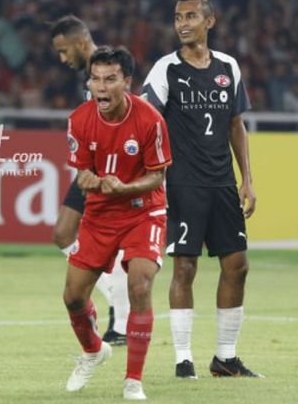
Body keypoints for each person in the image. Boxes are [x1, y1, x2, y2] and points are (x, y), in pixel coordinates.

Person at [142, 0, 262, 379]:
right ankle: (182, 360)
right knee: (185, 268)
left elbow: (234, 125)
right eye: (178, 17)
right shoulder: (165, 70)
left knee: (237, 266)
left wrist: (248, 180)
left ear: (210, 21)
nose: (182, 23)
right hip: (183, 183)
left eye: (191, 16)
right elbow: (146, 120)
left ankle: (225, 358)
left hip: (222, 183)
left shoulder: (228, 67)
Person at [64, 46, 171, 400]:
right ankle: (94, 351)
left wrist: (125, 187)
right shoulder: (79, 119)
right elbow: (82, 168)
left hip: (143, 210)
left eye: (110, 79)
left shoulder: (150, 119)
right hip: (100, 214)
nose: (101, 87)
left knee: (139, 286)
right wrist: (88, 178)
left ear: (127, 82)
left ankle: (133, 381)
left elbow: (157, 176)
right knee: (73, 297)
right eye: (95, 79)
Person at [50, 15, 129, 345]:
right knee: (63, 233)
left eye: (65, 50)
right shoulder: (87, 78)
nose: (62, 59)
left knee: (119, 245)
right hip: (92, 171)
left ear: (81, 43)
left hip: (115, 171)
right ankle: (114, 296)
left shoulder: (108, 71)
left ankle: (121, 323)